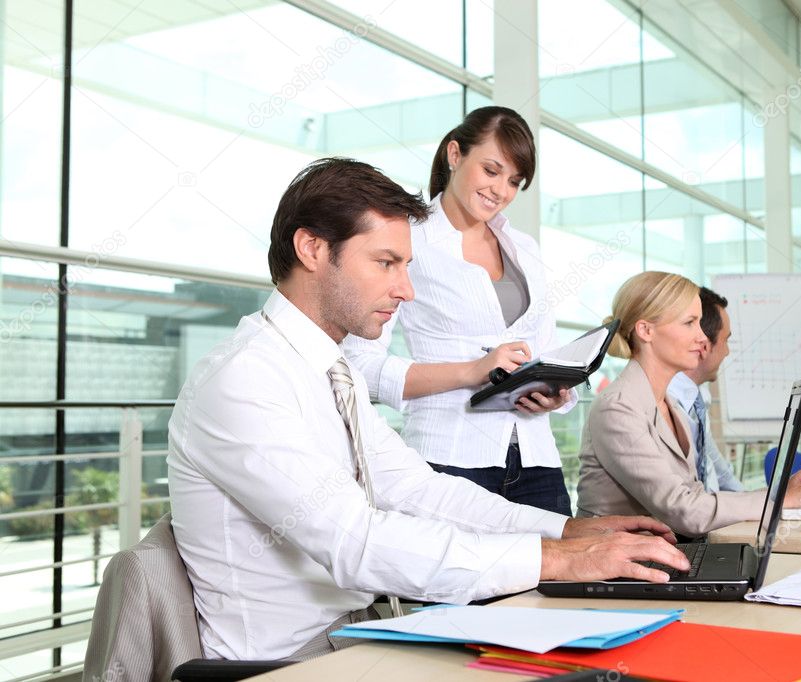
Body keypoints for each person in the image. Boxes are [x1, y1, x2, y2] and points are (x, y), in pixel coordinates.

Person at [167, 158, 688, 661]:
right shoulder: (245, 378)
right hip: (289, 660)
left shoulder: (329, 370)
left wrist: (565, 533)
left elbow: (416, 489)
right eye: (385, 263)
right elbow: (355, 542)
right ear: (312, 249)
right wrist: (555, 560)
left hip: (354, 635)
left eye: (407, 265)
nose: (406, 290)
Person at [344, 107, 573, 515]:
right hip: (449, 458)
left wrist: (555, 394)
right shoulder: (409, 239)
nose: (501, 190)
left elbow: (546, 348)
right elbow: (357, 364)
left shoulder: (526, 249)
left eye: (514, 181)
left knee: (562, 577)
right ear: (455, 155)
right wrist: (471, 371)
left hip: (538, 461)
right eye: (491, 170)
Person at [575, 271, 801, 538]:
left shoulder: (671, 406)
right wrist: (782, 500)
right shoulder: (618, 408)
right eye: (689, 323)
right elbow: (686, 511)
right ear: (646, 330)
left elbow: (696, 498)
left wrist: (777, 494)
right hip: (616, 566)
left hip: (662, 554)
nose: (703, 338)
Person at [666, 287, 744, 492]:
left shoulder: (698, 398)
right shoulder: (664, 404)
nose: (727, 352)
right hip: (695, 518)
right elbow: (681, 501)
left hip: (713, 515)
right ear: (704, 345)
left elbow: (721, 473)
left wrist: (768, 503)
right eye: (726, 340)